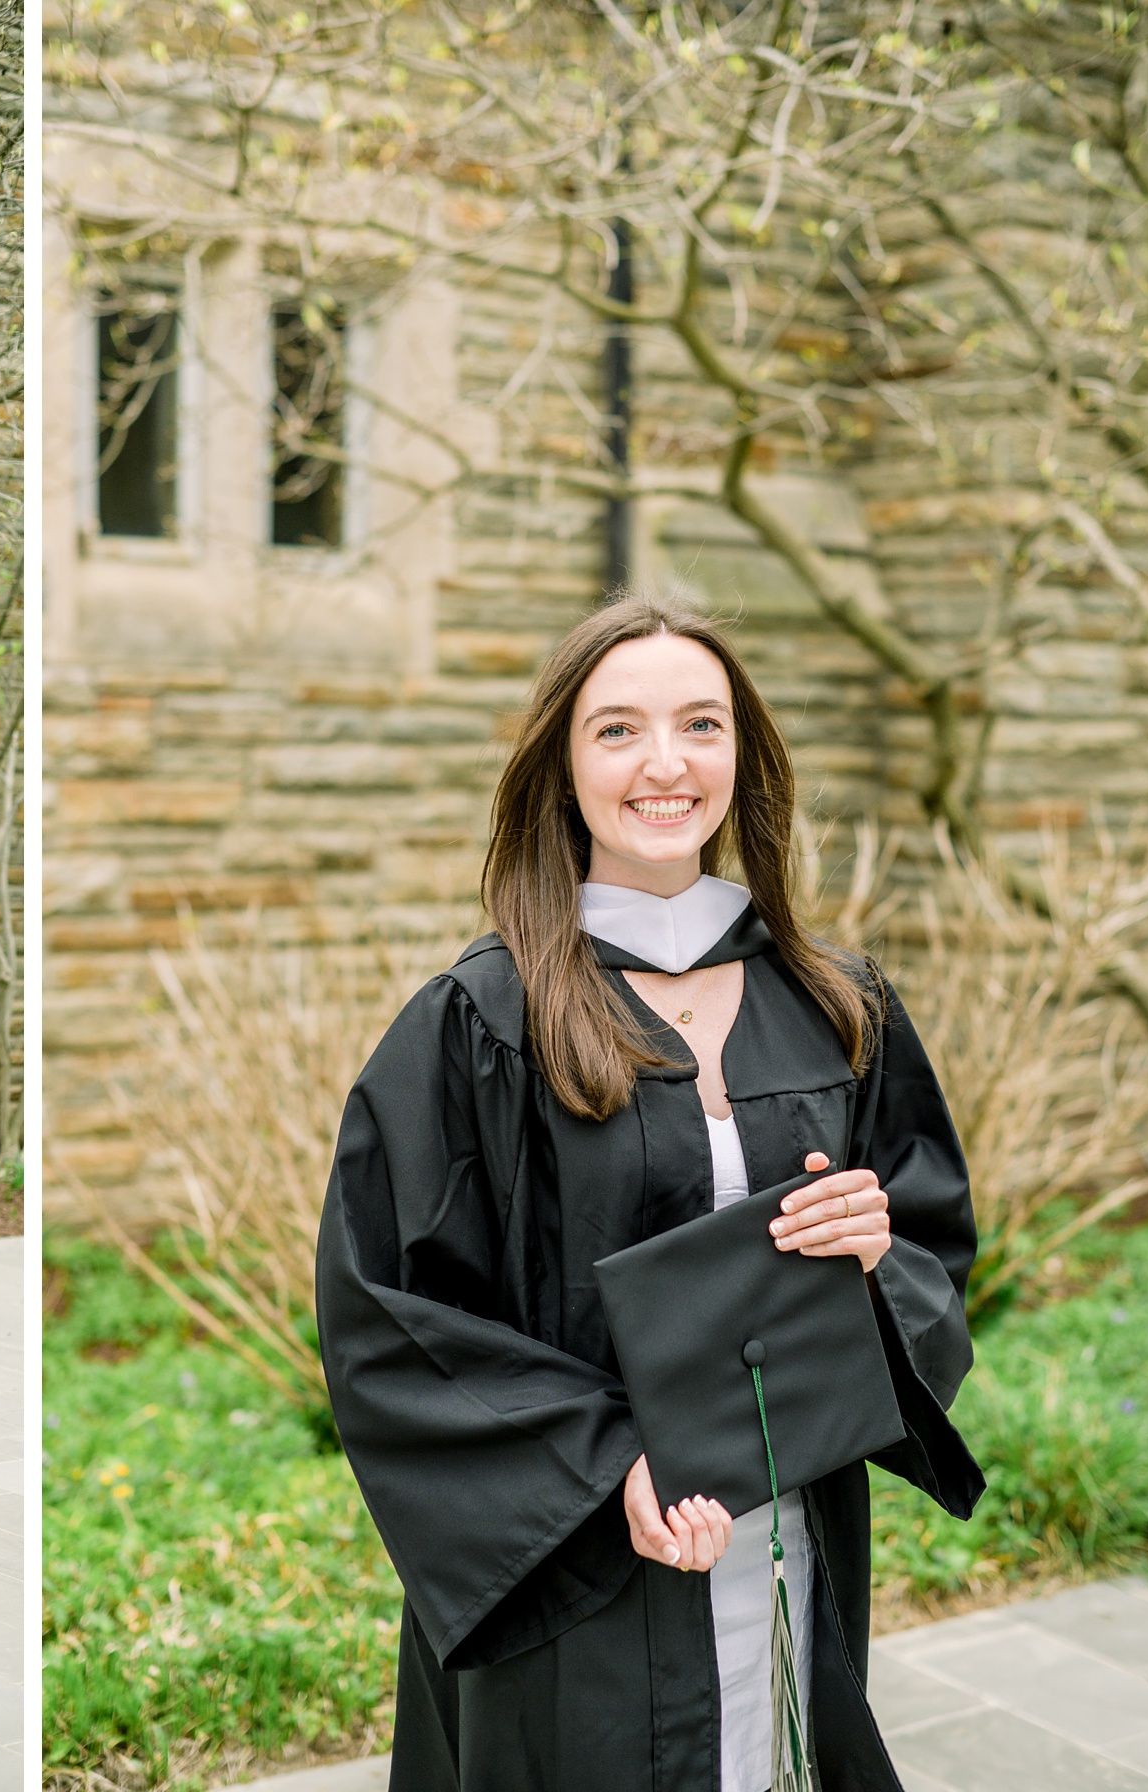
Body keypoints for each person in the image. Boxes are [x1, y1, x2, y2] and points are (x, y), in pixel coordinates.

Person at [316, 595, 983, 1792]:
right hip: (580, 1572)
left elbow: (936, 1255)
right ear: (562, 768)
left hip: (790, 1541)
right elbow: (390, 1315)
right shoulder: (483, 1020)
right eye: (617, 729)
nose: (666, 764)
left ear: (746, 753)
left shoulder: (836, 1004)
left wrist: (880, 1255)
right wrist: (609, 1464)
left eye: (702, 724)